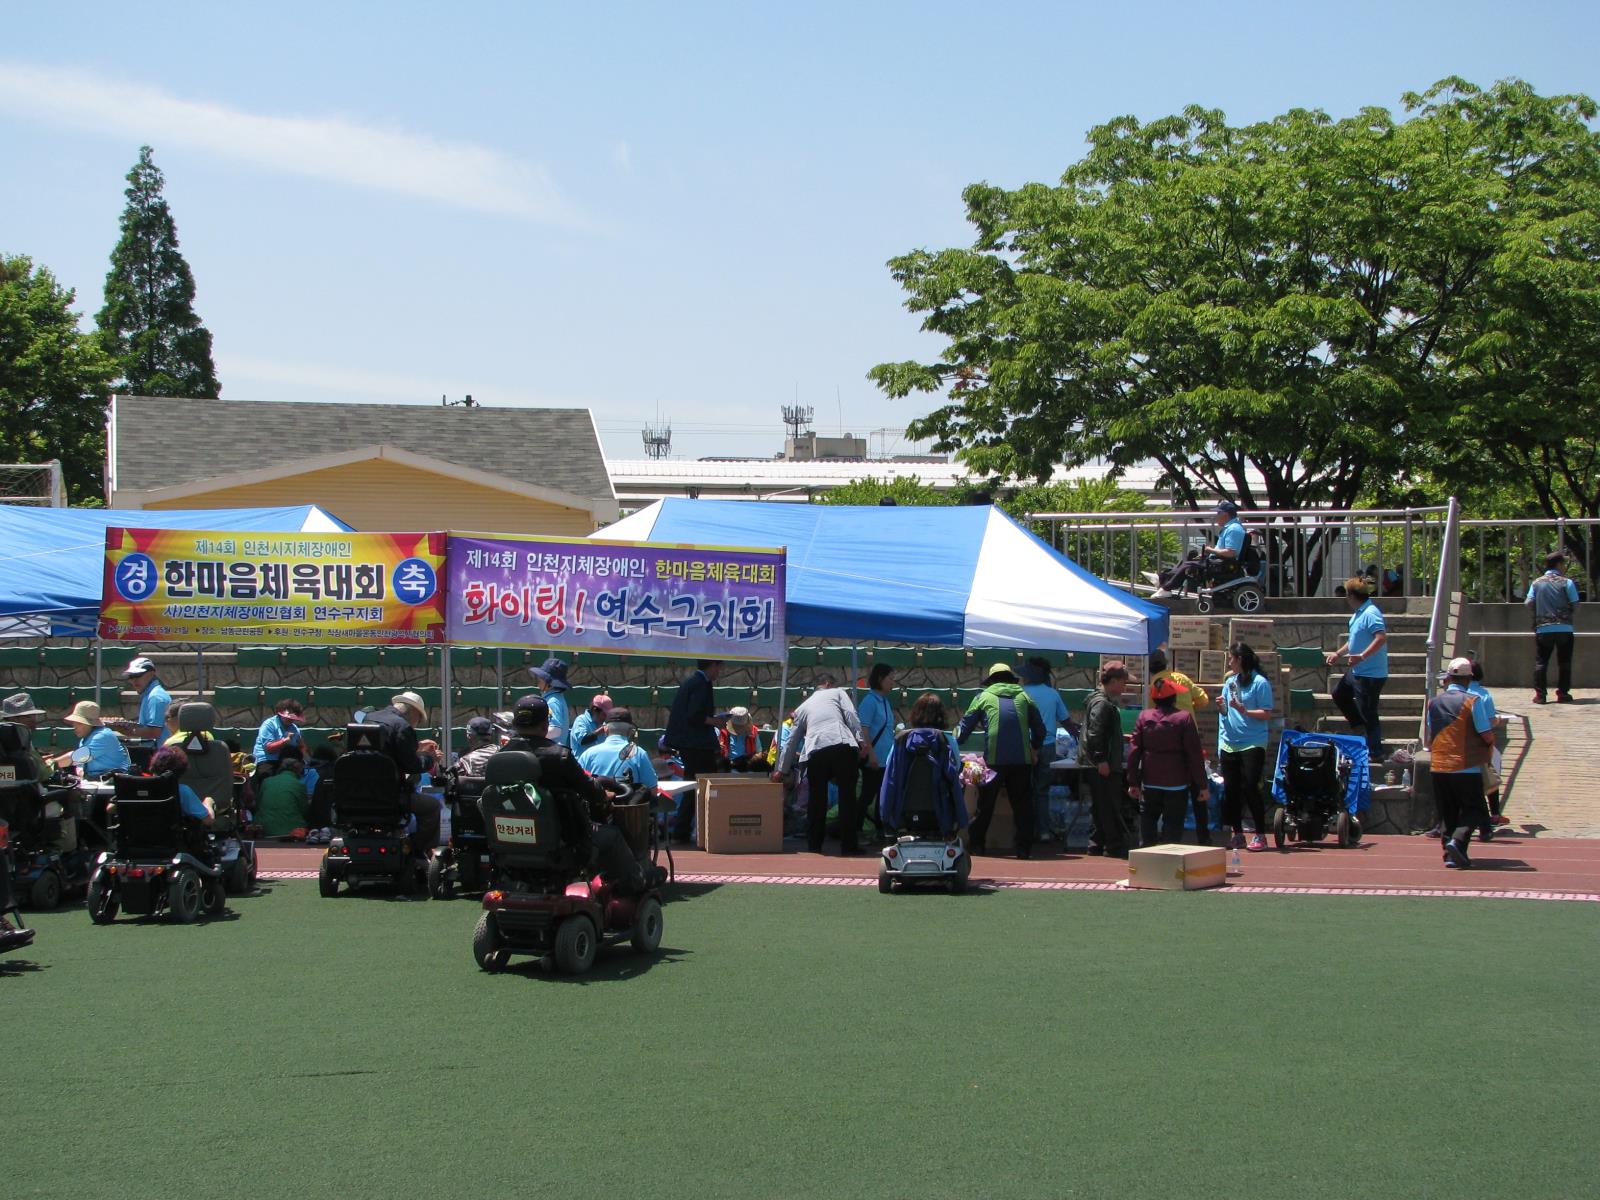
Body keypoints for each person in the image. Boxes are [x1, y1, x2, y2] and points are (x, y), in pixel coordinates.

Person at [501, 694, 642, 891]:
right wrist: (605, 795)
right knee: (612, 835)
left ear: (515, 724)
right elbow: (592, 792)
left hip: (509, 842)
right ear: (545, 725)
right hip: (562, 841)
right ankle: (634, 885)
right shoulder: (560, 756)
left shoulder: (499, 757)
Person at [773, 673, 870, 854]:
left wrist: (781, 769)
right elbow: (850, 715)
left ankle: (814, 845)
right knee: (847, 797)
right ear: (827, 683)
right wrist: (861, 740)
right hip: (841, 745)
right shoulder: (838, 693)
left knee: (816, 800)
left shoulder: (802, 708)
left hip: (816, 750)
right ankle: (849, 845)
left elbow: (791, 740)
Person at [957, 662, 1047, 859]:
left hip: (994, 761)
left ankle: (978, 846)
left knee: (985, 806)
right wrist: (1034, 748)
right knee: (1023, 806)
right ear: (1010, 679)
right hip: (1022, 761)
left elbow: (962, 731)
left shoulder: (982, 697)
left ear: (991, 681)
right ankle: (1024, 850)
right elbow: (1040, 730)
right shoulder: (1025, 696)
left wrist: (954, 743)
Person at [1427, 658, 1496, 869]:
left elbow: (1429, 737)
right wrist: (1490, 746)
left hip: (1438, 764)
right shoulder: (1472, 701)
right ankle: (1457, 840)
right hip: (1466, 764)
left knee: (1448, 811)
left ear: (1448, 678)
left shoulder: (1433, 702)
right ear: (1468, 679)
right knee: (1475, 808)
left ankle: (1449, 854)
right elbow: (1486, 734)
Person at [1127, 677, 1207, 846]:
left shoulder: (1144, 717)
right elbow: (1194, 755)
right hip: (1176, 783)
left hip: (1150, 782)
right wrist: (1202, 785)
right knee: (1172, 830)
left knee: (1147, 827)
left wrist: (1133, 781)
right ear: (1174, 698)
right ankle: (1168, 866)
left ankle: (1146, 864)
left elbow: (1134, 752)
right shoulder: (1184, 718)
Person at [877, 692, 967, 836]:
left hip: (903, 812)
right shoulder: (947, 740)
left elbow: (890, 771)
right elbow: (955, 771)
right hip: (940, 813)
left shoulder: (901, 741)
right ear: (941, 715)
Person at [361, 690, 441, 851]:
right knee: (432, 806)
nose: (417, 723)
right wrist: (430, 758)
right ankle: (417, 850)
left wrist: (416, 747)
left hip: (358, 794)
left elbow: (383, 751)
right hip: (389, 796)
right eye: (419, 719)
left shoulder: (368, 719)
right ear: (413, 712)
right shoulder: (402, 726)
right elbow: (411, 765)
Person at [1216, 642, 1275, 852]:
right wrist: (1222, 708)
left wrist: (1245, 711)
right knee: (1231, 790)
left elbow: (1267, 713)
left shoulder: (1260, 683)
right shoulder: (1230, 682)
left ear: (1240, 659)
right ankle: (1237, 833)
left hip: (1252, 742)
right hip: (1230, 742)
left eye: (1231, 658)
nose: (1229, 662)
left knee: (1250, 786)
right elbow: (1225, 713)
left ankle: (1260, 834)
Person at [1326, 576, 1389, 762]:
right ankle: (1358, 725)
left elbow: (1380, 638)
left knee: (1369, 713)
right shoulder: (1357, 614)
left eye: (1347, 595)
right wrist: (1339, 653)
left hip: (1370, 674)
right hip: (1356, 671)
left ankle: (1376, 752)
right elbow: (1353, 640)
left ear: (1352, 595)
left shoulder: (1371, 613)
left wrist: (1361, 656)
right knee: (1339, 694)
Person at [664, 660, 725, 842]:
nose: (719, 671)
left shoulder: (692, 682)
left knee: (692, 785)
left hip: (690, 743)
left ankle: (682, 830)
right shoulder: (701, 684)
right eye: (719, 667)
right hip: (696, 744)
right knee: (704, 785)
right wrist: (715, 721)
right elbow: (695, 715)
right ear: (712, 665)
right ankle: (703, 828)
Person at [1020, 657, 1072, 841]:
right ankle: (1043, 831)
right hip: (1048, 746)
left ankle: (1025, 830)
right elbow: (1066, 721)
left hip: (1025, 746)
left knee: (1025, 789)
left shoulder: (1021, 693)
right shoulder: (1053, 694)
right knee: (1042, 790)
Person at [1082, 662, 1131, 857]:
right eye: (1123, 682)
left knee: (1101, 805)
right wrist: (1101, 759)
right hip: (1103, 764)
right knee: (1109, 805)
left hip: (1101, 762)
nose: (1125, 687)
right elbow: (1095, 732)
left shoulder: (1102, 701)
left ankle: (1097, 843)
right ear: (1114, 680)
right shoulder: (1102, 703)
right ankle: (1113, 845)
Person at [1152, 500, 1247, 599]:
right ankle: (1162, 578)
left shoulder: (1234, 529)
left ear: (1226, 515)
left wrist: (1211, 550)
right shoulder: (1230, 528)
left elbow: (1230, 553)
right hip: (1218, 560)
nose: (1216, 516)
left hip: (1224, 564)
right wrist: (1207, 553)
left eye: (1218, 513)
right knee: (1189, 560)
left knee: (1188, 565)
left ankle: (1165, 587)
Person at [1526, 549, 1579, 703]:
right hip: (1565, 628)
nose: (1564, 566)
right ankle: (1563, 693)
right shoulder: (1567, 582)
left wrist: (1540, 610)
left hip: (1543, 628)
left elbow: (1528, 602)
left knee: (1541, 661)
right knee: (1564, 661)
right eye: (1563, 563)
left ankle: (1540, 695)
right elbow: (1575, 604)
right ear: (1558, 564)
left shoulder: (1536, 583)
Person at [1467, 659, 1511, 836]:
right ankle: (1493, 814)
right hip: (1481, 742)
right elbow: (1490, 721)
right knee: (1491, 778)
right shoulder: (1483, 694)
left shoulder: (1452, 693)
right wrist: (1500, 721)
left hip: (1458, 745)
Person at [577, 708, 660, 789]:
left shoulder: (587, 755)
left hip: (597, 802)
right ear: (630, 731)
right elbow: (652, 788)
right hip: (628, 802)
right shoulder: (639, 754)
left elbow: (578, 787)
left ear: (605, 729)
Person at [51, 701, 131, 777]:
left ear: (91, 724)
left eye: (79, 723)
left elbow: (76, 757)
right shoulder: (85, 738)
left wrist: (48, 765)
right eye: (74, 722)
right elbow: (80, 767)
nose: (74, 726)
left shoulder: (102, 736)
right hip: (96, 782)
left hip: (113, 784)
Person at [103, 656, 172, 742]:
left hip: (159, 752)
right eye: (131, 676)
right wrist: (124, 726)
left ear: (151, 674)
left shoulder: (155, 697)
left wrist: (125, 730)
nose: (134, 680)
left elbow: (154, 732)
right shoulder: (151, 695)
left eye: (138, 675)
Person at [147, 745, 216, 826]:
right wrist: (208, 803)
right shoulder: (182, 791)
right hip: (171, 836)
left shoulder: (139, 790)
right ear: (181, 770)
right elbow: (208, 821)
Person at [2, 692, 53, 782]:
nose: (34, 720)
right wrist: (52, 763)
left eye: (34, 716)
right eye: (28, 717)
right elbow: (42, 773)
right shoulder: (21, 742)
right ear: (13, 719)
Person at [255, 757, 310, 838]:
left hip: (264, 829)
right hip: (292, 830)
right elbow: (304, 810)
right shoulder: (299, 785)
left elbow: (258, 805)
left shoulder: (266, 782)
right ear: (298, 770)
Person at [529, 657, 573, 744]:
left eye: (542, 678)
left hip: (551, 752)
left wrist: (531, 737)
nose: (539, 680)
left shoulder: (552, 701)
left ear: (550, 684)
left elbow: (555, 730)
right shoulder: (555, 698)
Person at [252, 699, 306, 768]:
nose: (291, 719)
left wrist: (300, 756)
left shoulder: (294, 728)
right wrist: (285, 741)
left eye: (293, 718)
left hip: (286, 762)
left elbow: (302, 746)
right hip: (267, 760)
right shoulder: (269, 724)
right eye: (288, 717)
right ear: (281, 714)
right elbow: (269, 749)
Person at [718, 706, 763, 772]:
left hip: (747, 766)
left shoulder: (753, 732)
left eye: (741, 727)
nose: (739, 730)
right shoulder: (723, 732)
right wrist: (718, 748)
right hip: (728, 767)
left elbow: (759, 753)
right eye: (737, 727)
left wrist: (746, 762)